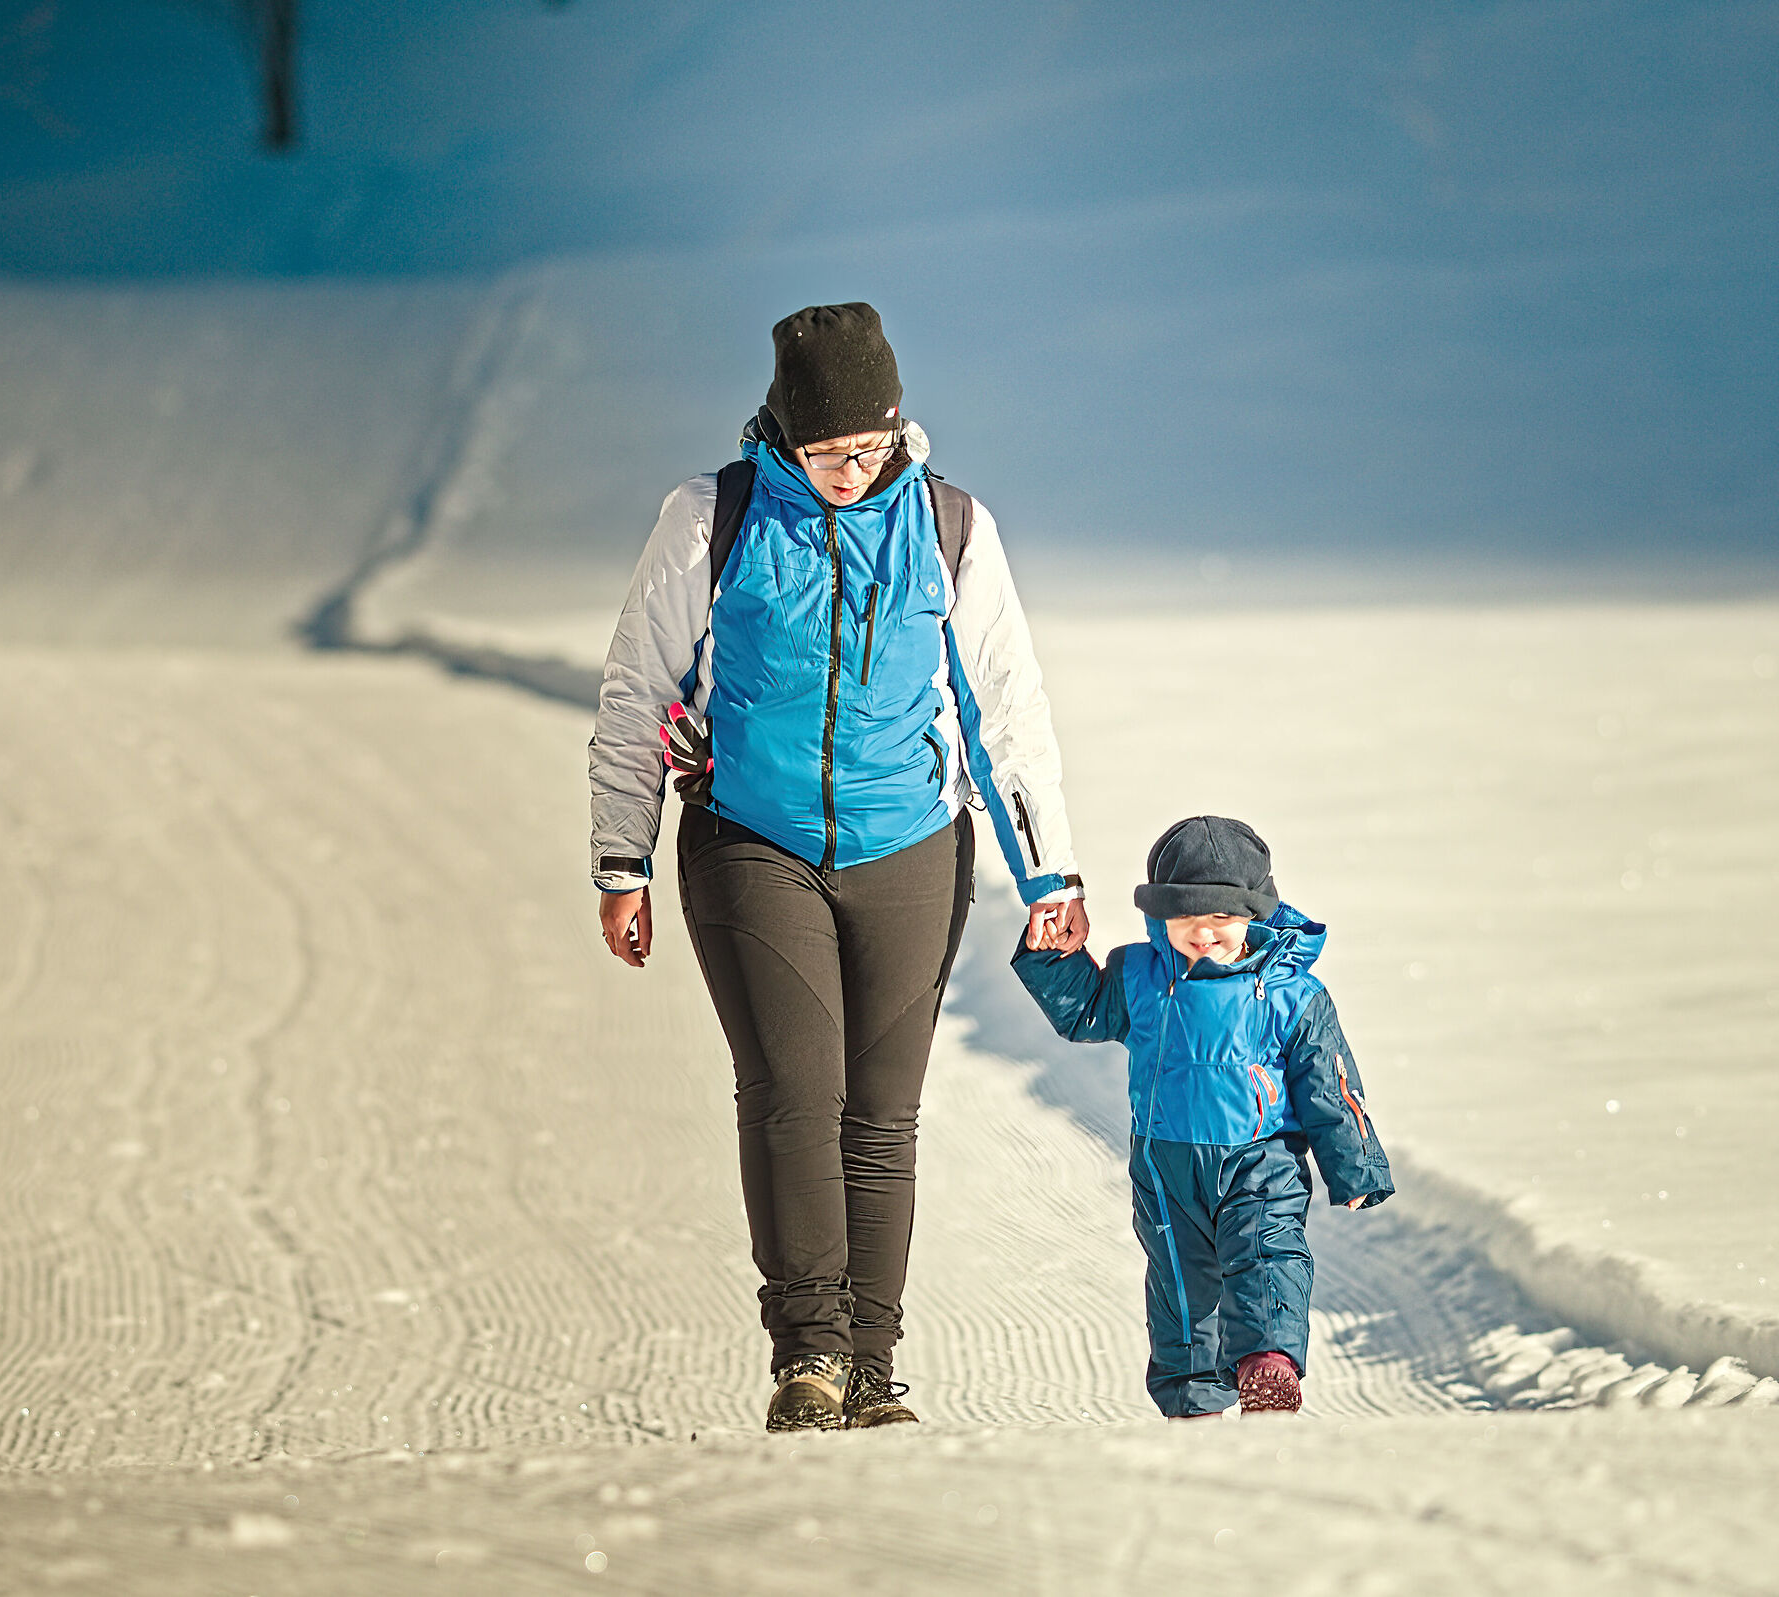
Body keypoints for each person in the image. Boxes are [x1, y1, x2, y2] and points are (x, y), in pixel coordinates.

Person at [589, 303, 1087, 1431]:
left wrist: (1051, 870)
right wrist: (621, 858)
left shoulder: (952, 527)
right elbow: (637, 690)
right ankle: (807, 1355)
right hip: (752, 841)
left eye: (866, 448)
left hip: (911, 845)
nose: (848, 472)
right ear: (783, 435)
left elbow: (1005, 706)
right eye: (824, 454)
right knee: (793, 1093)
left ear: (896, 427)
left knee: (881, 1115)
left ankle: (871, 1367)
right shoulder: (711, 517)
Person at [1010, 815, 1394, 1417]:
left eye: (1222, 920)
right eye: (1188, 921)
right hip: (1166, 1166)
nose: (1206, 935)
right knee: (1182, 1287)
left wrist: (1356, 1168)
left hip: (1262, 1157)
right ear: (1160, 917)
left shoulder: (1293, 991)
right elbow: (1085, 1014)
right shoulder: (1139, 975)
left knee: (1266, 1252)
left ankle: (1268, 1366)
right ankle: (1195, 1404)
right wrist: (1054, 960)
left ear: (1253, 915)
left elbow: (1330, 1086)